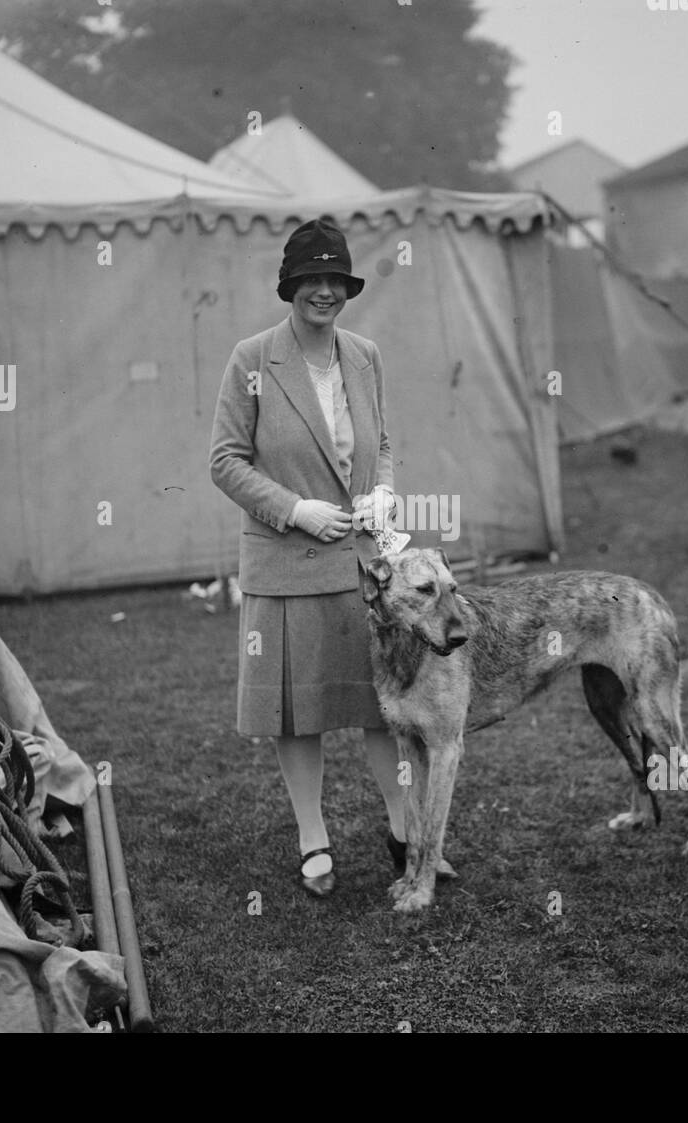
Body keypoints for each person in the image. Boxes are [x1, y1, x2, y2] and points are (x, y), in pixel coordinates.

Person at [209, 218, 454, 897]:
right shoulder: (251, 360)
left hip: (365, 568)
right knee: (299, 711)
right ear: (290, 286)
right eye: (311, 279)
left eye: (335, 280)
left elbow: (382, 444)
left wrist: (383, 492)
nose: (324, 291)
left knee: (383, 707)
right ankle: (312, 836)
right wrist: (295, 509)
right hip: (287, 566)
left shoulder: (365, 355)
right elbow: (224, 461)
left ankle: (404, 829)